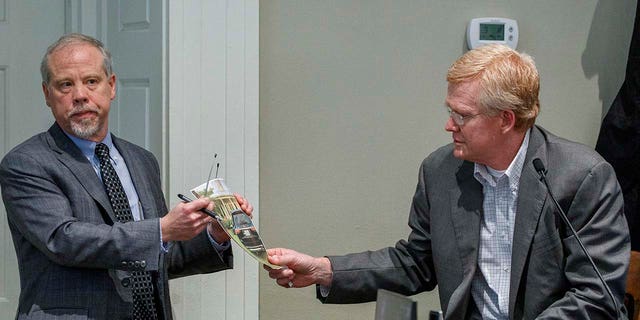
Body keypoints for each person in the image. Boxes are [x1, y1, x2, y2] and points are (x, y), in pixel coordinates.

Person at [265, 44, 630, 319]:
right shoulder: (441, 171)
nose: (449, 125)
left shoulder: (583, 177)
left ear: (505, 119)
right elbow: (415, 263)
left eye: (462, 115)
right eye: (450, 111)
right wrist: (323, 270)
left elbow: (596, 296)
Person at [0, 33, 252, 319]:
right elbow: (64, 240)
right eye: (65, 85)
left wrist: (214, 234)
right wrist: (162, 229)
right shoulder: (26, 163)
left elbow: (155, 253)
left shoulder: (141, 160)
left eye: (91, 81)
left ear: (112, 86)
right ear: (47, 94)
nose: (80, 95)